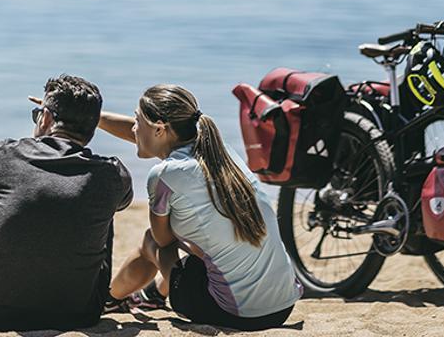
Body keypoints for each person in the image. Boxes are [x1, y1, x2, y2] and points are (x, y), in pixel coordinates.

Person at [98, 84, 301, 330]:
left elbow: (163, 243)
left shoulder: (163, 174)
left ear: (160, 129)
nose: (133, 127)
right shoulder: (218, 151)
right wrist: (94, 118)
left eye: (137, 120)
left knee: (152, 241)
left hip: (234, 313)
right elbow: (148, 139)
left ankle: (110, 299)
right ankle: (151, 296)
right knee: (204, 245)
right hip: (282, 306)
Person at [0, 74, 132, 331]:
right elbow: (120, 204)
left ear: (46, 117)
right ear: (94, 127)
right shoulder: (112, 173)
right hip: (80, 313)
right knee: (103, 208)